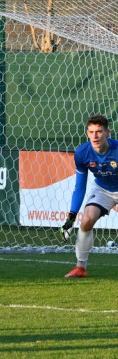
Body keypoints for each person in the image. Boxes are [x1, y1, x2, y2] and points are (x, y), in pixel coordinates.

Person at [61, 114, 118, 278]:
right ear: (87, 133)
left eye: (99, 131)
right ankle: (80, 267)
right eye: (91, 132)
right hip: (102, 189)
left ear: (108, 132)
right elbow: (80, 186)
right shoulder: (82, 153)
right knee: (86, 220)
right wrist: (71, 217)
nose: (95, 136)